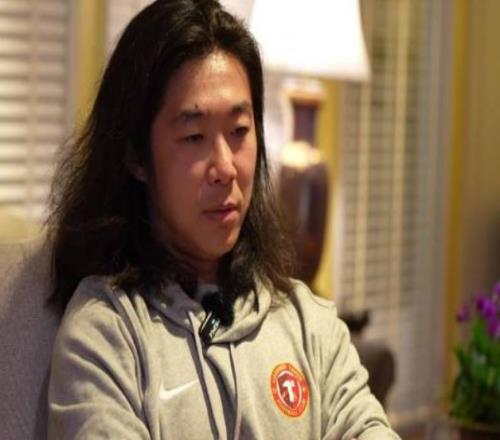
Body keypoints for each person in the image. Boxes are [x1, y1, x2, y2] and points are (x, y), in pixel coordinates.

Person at [47, 1, 400, 439]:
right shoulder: (106, 335)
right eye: (194, 136)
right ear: (136, 155)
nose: (226, 167)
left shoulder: (308, 323)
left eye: (239, 132)